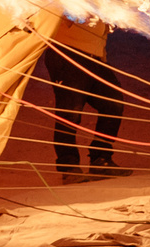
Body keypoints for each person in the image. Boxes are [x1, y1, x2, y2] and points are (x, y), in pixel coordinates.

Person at [44, 14, 126, 182]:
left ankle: (100, 159)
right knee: (70, 111)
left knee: (113, 103)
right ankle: (69, 166)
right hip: (67, 51)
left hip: (96, 58)